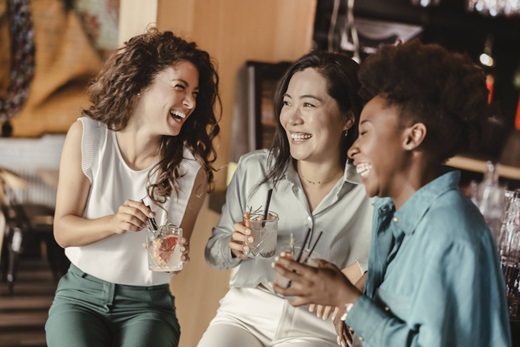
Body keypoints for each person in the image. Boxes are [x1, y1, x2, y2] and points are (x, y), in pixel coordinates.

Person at [273, 39, 512, 347]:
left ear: (413, 137)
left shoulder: (450, 233)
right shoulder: (395, 215)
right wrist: (355, 298)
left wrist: (349, 303)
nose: (353, 149)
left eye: (365, 132)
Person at [45, 26, 221, 347]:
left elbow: (174, 260)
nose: (190, 102)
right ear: (141, 85)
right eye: (180, 88)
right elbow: (63, 231)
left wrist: (177, 255)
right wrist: (114, 222)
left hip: (148, 305)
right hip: (80, 297)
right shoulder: (90, 137)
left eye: (195, 93)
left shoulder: (190, 168)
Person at [198, 50, 373, 347]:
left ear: (348, 118)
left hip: (319, 326)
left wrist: (360, 269)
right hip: (246, 312)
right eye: (287, 103)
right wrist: (233, 246)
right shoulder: (254, 169)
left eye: (308, 105)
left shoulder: (372, 189)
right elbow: (214, 252)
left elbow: (402, 259)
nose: (291, 118)